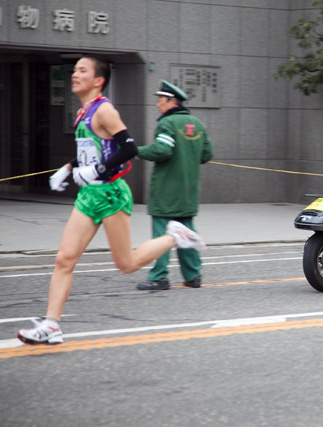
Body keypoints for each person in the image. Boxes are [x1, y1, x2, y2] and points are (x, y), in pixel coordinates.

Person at [17, 56, 206, 345]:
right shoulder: (84, 111)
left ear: (98, 80)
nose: (74, 75)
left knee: (127, 264)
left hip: (110, 193)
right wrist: (68, 168)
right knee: (64, 258)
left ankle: (173, 236)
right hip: (89, 194)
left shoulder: (104, 109)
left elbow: (128, 147)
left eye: (82, 71)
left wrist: (98, 170)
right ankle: (52, 325)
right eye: (75, 70)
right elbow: (94, 150)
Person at [135, 80, 213, 291]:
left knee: (163, 235)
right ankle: (193, 276)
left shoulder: (167, 124)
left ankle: (159, 277)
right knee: (186, 233)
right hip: (188, 191)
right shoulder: (198, 124)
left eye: (161, 100)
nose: (158, 105)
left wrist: (135, 150)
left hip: (167, 191)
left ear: (172, 101)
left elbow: (162, 150)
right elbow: (207, 154)